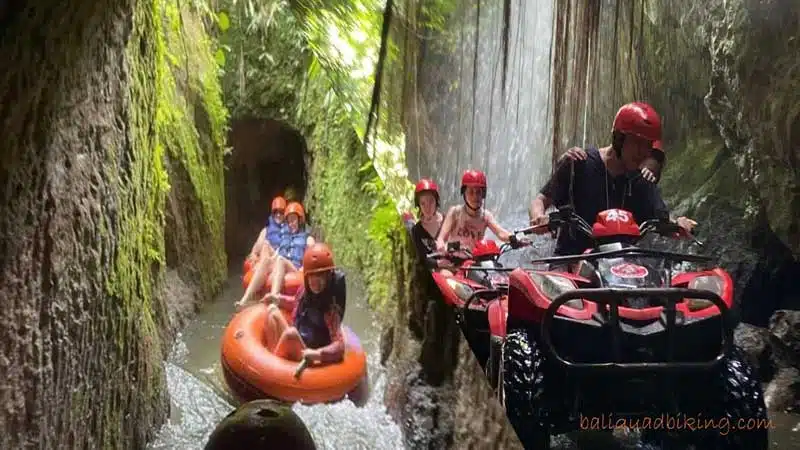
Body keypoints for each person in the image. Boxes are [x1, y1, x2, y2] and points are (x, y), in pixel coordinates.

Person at [528, 102, 696, 258]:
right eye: (637, 143)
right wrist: (539, 218)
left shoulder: (641, 180)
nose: (643, 152)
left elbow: (662, 221)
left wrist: (679, 224)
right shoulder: (579, 164)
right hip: (571, 262)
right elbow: (540, 200)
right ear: (619, 139)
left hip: (623, 268)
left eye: (648, 145)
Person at [263, 243, 346, 365]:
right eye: (312, 275)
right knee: (272, 311)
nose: (316, 281)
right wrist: (277, 299)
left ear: (328, 277)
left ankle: (271, 367)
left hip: (308, 354)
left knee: (291, 334)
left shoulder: (330, 309)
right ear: (306, 276)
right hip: (298, 341)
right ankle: (274, 357)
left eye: (321, 276)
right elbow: (295, 303)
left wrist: (318, 354)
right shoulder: (304, 291)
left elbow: (340, 345)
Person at [238, 202, 316, 308]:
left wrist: (304, 268)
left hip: (295, 269)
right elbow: (277, 253)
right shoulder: (285, 238)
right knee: (268, 261)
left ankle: (274, 298)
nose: (291, 224)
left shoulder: (308, 239)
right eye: (289, 221)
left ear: (300, 220)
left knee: (280, 260)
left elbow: (312, 257)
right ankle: (245, 299)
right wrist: (267, 261)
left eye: (293, 220)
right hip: (282, 263)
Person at [435, 169, 516, 254]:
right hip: (453, 260)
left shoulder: (486, 216)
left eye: (478, 192)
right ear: (464, 194)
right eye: (470, 192)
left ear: (483, 194)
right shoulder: (455, 212)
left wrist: (514, 238)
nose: (475, 196)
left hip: (474, 261)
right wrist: (440, 245)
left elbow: (500, 233)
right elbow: (441, 238)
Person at [560, 139, 666, 184]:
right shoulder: (586, 163)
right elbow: (545, 197)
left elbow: (662, 216)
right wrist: (564, 164)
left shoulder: (644, 186)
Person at [410, 178, 453, 271]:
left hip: (454, 266)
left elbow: (461, 243)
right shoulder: (416, 230)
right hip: (435, 273)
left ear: (436, 201)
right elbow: (422, 258)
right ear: (419, 206)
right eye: (423, 203)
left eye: (431, 201)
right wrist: (438, 263)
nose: (427, 207)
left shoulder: (447, 221)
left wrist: (447, 248)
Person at [246, 196, 288, 267]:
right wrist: (253, 254)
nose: (278, 215)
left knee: (266, 245)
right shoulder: (266, 230)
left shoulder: (290, 228)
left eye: (281, 212)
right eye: (275, 212)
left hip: (281, 259)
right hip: (268, 257)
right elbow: (257, 246)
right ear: (272, 214)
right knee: (265, 244)